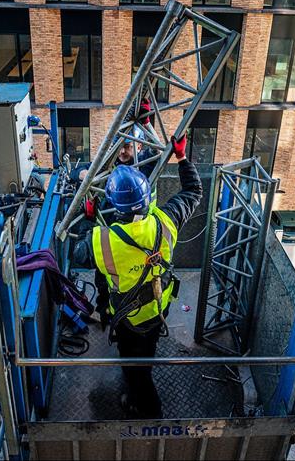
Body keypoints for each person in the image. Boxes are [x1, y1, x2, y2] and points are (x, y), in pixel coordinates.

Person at [72, 134, 202, 419]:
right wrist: (181, 157)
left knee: (135, 370)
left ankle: (148, 410)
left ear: (115, 206)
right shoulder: (167, 222)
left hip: (128, 318)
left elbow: (79, 252)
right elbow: (194, 191)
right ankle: (141, 378)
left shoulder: (103, 241)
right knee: (148, 349)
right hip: (158, 309)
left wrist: (88, 217)